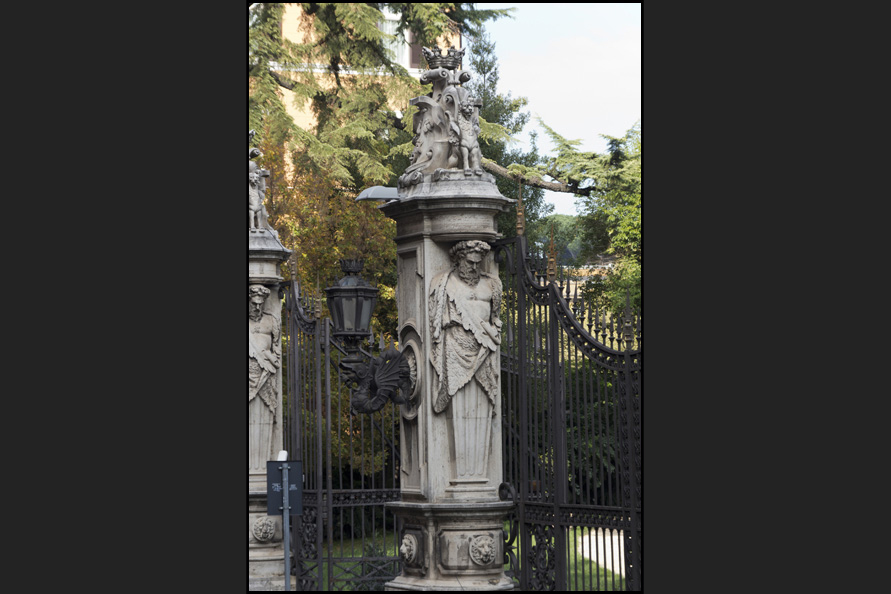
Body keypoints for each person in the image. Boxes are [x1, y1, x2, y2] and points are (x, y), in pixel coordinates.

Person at [428, 240, 503, 479]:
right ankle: (462, 477)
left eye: (478, 263)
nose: (474, 267)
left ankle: (476, 477)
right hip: (456, 348)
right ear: (458, 260)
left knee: (483, 405)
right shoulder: (444, 284)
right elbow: (437, 321)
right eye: (469, 262)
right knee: (458, 406)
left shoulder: (493, 284)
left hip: (485, 351)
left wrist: (493, 329)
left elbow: (496, 319)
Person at [249, 284, 281, 476]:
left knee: (267, 415)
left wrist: (270, 358)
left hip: (266, 375)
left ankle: (261, 470)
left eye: (260, 304)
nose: (257, 307)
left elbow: (276, 349)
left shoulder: (271, 321)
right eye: (254, 303)